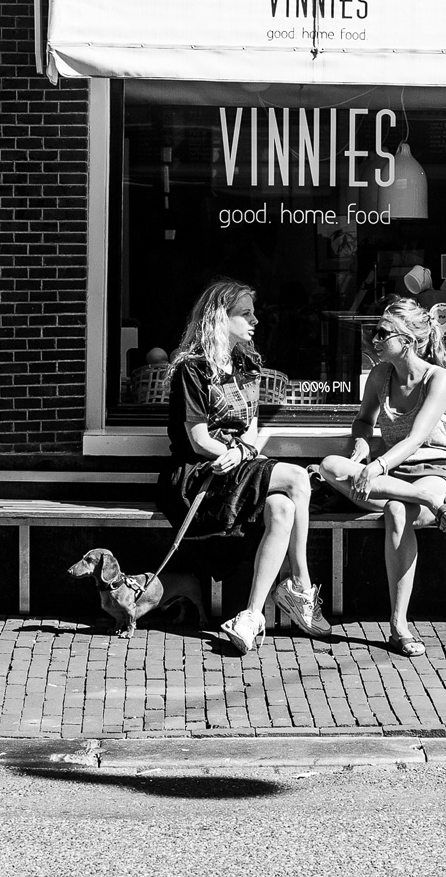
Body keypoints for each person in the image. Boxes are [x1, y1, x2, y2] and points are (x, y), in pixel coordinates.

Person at [157, 278, 327, 655]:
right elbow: (199, 438)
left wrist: (244, 452)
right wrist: (232, 453)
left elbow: (250, 431)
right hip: (200, 474)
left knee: (282, 507)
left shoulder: (247, 364)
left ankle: (251, 616)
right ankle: (300, 585)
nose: (255, 321)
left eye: (254, 313)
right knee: (298, 477)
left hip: (238, 465)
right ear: (221, 317)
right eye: (245, 313)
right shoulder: (193, 370)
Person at [314, 297, 446, 657]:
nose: (373, 339)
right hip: (394, 471)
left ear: (408, 341)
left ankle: (398, 626)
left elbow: (417, 437)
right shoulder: (381, 375)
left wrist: (377, 467)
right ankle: (431, 503)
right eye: (374, 332)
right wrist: (361, 445)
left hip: (436, 469)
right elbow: (365, 420)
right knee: (330, 466)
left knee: (397, 511)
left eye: (382, 333)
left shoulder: (439, 379)